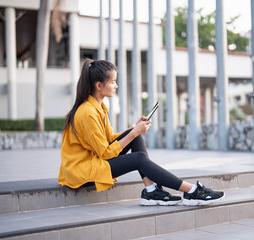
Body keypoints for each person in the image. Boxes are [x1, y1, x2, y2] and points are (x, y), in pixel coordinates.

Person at [58, 59, 224, 206]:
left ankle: (151, 190)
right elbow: (105, 153)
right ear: (99, 85)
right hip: (81, 173)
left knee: (135, 137)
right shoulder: (87, 112)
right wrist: (133, 132)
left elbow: (109, 139)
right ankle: (191, 191)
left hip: (94, 161)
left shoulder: (99, 107)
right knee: (138, 158)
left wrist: (134, 129)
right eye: (113, 82)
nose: (116, 86)